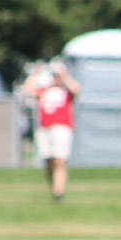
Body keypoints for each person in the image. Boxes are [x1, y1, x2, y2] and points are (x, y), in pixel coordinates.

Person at [22, 60, 80, 202]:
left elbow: (76, 89)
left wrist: (64, 75)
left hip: (61, 127)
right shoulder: (44, 90)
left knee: (60, 160)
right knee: (48, 160)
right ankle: (53, 189)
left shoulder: (65, 91)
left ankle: (58, 192)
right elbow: (27, 89)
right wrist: (37, 72)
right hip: (44, 127)